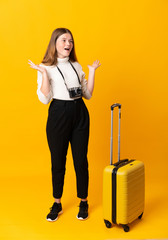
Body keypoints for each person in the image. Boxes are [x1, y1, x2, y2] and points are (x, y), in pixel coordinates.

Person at [28, 28, 101, 222]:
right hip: (58, 113)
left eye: (71, 41)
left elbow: (88, 94)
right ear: (55, 43)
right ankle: (57, 203)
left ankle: (83, 201)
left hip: (80, 112)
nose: (68, 44)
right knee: (58, 161)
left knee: (80, 161)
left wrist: (92, 72)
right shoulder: (46, 67)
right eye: (64, 40)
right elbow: (44, 99)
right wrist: (43, 74)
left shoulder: (76, 65)